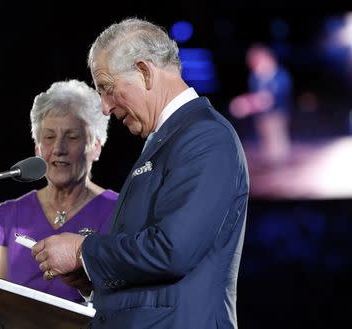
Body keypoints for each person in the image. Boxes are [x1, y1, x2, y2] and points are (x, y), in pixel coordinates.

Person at [32, 18, 249, 329]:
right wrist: (91, 276)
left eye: (107, 88)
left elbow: (172, 250)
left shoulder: (205, 137)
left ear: (145, 72)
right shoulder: (167, 140)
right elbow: (153, 265)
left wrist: (83, 251)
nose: (105, 107)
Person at [0, 79, 118, 303]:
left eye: (72, 137)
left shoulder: (119, 211)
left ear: (96, 147)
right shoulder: (7, 215)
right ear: (38, 148)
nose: (59, 149)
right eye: (49, 137)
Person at [229, 43, 293, 166]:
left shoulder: (280, 75)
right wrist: (245, 103)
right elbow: (256, 95)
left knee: (276, 137)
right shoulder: (255, 77)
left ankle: (280, 162)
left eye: (259, 62)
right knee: (266, 138)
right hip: (262, 114)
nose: (257, 66)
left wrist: (249, 105)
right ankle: (272, 162)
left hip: (277, 112)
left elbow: (271, 98)